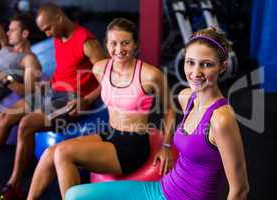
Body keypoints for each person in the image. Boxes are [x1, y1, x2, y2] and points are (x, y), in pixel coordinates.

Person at [64, 28, 250, 200]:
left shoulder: (221, 119)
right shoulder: (187, 98)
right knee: (74, 195)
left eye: (207, 64)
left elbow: (240, 189)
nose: (195, 72)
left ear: (222, 67)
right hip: (162, 189)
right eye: (190, 62)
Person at [26, 17, 175, 200]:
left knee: (64, 153)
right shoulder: (100, 68)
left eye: (125, 43)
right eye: (113, 43)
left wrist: (166, 145)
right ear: (106, 44)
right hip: (109, 133)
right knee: (50, 153)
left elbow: (169, 109)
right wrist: (85, 101)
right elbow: (104, 90)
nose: (119, 49)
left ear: (135, 45)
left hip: (133, 145)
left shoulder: (150, 75)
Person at [0, 3, 106, 200]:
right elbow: (65, 70)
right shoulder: (57, 37)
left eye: (48, 28)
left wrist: (87, 100)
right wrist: (49, 83)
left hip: (72, 98)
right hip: (52, 91)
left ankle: (14, 185)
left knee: (26, 125)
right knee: (5, 115)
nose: (46, 34)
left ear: (59, 18)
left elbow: (109, 78)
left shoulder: (87, 42)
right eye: (43, 30)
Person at [0, 12, 41, 183]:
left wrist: (4, 77)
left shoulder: (29, 60)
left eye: (12, 30)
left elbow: (29, 91)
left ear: (25, 34)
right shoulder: (4, 49)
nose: (7, 33)